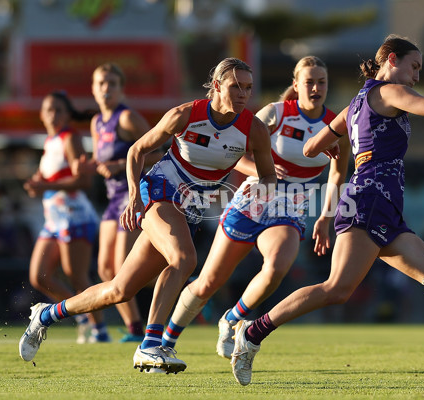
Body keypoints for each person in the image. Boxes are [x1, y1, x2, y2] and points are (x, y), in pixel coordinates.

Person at [229, 34, 424, 385]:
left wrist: (335, 145)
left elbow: (311, 147)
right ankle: (251, 333)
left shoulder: (356, 101)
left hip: (384, 206)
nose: (417, 76)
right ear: (391, 60)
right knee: (337, 289)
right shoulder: (390, 91)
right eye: (415, 66)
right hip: (368, 199)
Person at [18, 58, 277, 374]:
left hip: (189, 211)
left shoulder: (255, 129)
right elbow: (136, 151)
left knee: (119, 290)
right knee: (184, 259)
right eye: (236, 86)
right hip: (158, 191)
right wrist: (133, 198)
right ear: (218, 86)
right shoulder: (186, 114)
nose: (243, 94)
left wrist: (259, 195)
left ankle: (45, 315)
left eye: (248, 88)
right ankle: (152, 345)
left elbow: (267, 177)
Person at [159, 56, 350, 362]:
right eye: (309, 81)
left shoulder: (335, 125)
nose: (316, 87)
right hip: (253, 199)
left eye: (322, 81)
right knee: (208, 281)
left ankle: (232, 319)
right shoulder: (275, 114)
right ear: (296, 85)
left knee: (277, 267)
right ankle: (164, 340)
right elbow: (235, 153)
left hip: (291, 207)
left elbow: (338, 175)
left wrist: (326, 218)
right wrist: (265, 172)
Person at [24, 91, 109, 344]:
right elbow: (51, 178)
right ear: (41, 114)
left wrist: (45, 186)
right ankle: (81, 317)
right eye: (48, 109)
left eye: (59, 110)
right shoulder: (50, 142)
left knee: (77, 276)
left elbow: (83, 181)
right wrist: (37, 183)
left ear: (67, 114)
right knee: (39, 276)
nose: (53, 115)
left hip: (75, 216)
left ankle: (99, 331)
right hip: (54, 218)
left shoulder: (69, 138)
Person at [84, 63, 154, 342]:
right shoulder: (96, 123)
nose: (106, 89)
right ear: (93, 88)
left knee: (123, 266)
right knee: (104, 269)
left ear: (121, 89)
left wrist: (118, 164)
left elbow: (159, 152)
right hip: (112, 198)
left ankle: (184, 283)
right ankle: (134, 328)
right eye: (101, 83)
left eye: (112, 83)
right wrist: (87, 166)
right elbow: (100, 161)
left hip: (133, 195)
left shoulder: (128, 118)